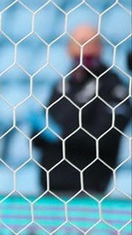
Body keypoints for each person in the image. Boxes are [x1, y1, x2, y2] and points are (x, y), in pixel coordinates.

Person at [30, 24, 131, 197]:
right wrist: (39, 131)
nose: (81, 59)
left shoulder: (113, 88)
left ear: (99, 50)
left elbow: (104, 139)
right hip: (49, 189)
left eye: (85, 44)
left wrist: (61, 135)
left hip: (88, 190)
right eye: (75, 46)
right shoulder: (63, 85)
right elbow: (38, 138)